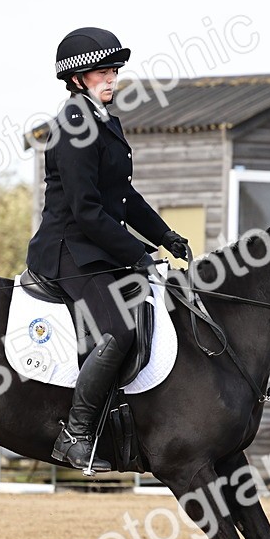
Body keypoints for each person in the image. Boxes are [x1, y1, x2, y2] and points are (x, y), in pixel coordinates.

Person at [26, 27, 191, 472]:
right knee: (118, 330)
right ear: (77, 78)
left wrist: (164, 236)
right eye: (102, 70)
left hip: (96, 248)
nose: (112, 77)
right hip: (68, 251)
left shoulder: (103, 121)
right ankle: (76, 434)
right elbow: (85, 210)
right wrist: (136, 254)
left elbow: (124, 197)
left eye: (114, 69)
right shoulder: (74, 126)